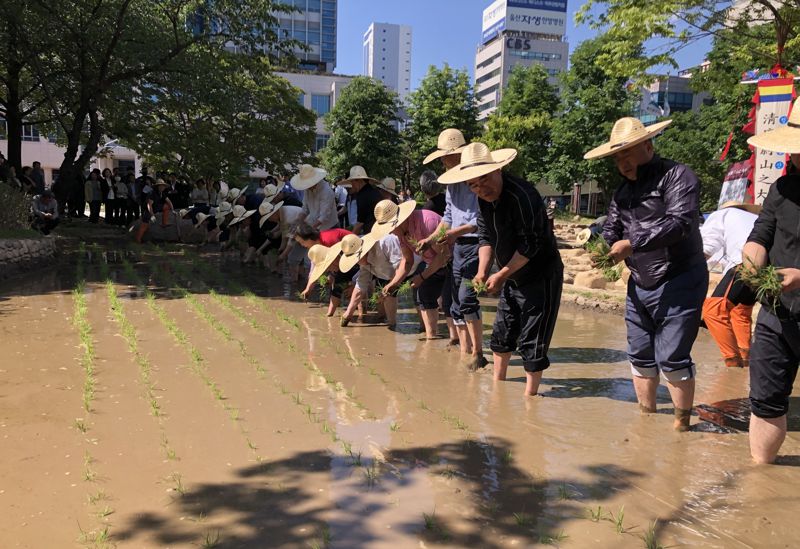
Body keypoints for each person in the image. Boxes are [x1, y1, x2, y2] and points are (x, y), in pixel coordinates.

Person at [584, 117, 706, 431]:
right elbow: (611, 229)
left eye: (628, 153)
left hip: (680, 277)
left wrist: (631, 243)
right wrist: (600, 246)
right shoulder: (622, 192)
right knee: (639, 352)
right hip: (639, 282)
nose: (622, 162)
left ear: (649, 146)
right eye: (617, 157)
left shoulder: (678, 176)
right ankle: (646, 420)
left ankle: (682, 426)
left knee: (672, 356)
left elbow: (681, 224)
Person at [440, 142, 563, 396]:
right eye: (473, 184)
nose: (480, 188)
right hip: (511, 275)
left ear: (497, 170)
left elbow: (530, 244)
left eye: (483, 179)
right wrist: (483, 271)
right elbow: (485, 237)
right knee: (501, 334)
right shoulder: (483, 201)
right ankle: (499, 392)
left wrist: (500, 274)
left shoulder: (522, 196)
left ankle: (531, 399)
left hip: (540, 275)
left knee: (532, 340)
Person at [741, 99, 800, 464]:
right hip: (778, 315)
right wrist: (751, 260)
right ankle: (761, 483)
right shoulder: (783, 188)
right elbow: (761, 234)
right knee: (765, 402)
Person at [420, 129, 486, 369]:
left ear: (459, 155)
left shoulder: (477, 179)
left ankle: (478, 353)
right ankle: (466, 350)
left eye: (446, 157)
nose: (443, 161)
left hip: (478, 245)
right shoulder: (450, 184)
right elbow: (448, 216)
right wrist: (431, 238)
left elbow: (482, 221)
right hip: (457, 248)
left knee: (468, 297)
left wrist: (452, 234)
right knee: (455, 302)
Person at [370, 198, 449, 339]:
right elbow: (407, 261)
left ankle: (449, 340)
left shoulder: (427, 223)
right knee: (423, 295)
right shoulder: (402, 234)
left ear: (398, 222)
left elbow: (443, 256)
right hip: (432, 262)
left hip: (452, 260)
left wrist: (422, 277)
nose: (391, 233)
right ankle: (431, 336)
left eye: (390, 229)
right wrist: (393, 284)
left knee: (450, 302)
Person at [700, 201, 760, 368]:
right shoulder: (754, 217)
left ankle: (733, 363)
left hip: (744, 264)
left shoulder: (721, 215)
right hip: (764, 267)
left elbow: (707, 247)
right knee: (741, 311)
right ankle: (746, 358)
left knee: (713, 310)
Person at [339, 233, 414, 329]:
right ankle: (392, 324)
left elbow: (402, 265)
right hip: (390, 273)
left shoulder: (385, 243)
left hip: (414, 265)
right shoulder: (364, 263)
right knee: (388, 294)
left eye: (356, 259)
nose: (356, 263)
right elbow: (360, 286)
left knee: (421, 300)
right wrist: (348, 313)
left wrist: (391, 285)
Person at [294, 164, 339, 231]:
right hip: (315, 226)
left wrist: (309, 229)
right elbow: (305, 209)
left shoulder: (326, 191)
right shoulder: (307, 190)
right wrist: (297, 222)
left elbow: (324, 217)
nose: (306, 186)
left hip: (330, 228)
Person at [341, 165, 383, 235]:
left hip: (373, 233)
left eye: (352, 182)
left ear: (359, 180)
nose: (352, 185)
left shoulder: (362, 195)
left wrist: (351, 240)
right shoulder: (374, 191)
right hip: (380, 230)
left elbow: (360, 223)